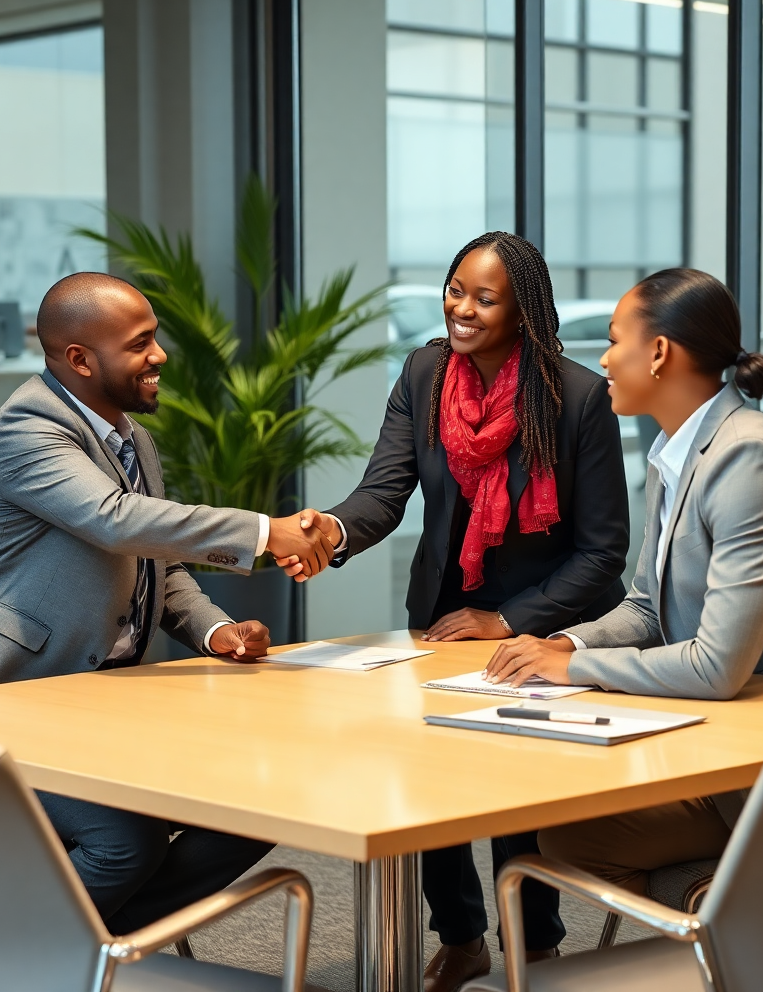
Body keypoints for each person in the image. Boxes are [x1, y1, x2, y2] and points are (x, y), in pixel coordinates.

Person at [0, 271, 335, 937]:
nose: (160, 355)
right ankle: (8, 958)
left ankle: (94, 949)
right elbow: (115, 520)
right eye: (140, 344)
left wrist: (217, 631)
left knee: (265, 801)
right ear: (80, 359)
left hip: (96, 710)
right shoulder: (29, 426)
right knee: (124, 843)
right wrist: (262, 532)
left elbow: (155, 568)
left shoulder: (129, 438)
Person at [279, 232, 630, 990]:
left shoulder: (577, 396)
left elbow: (603, 553)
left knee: (515, 792)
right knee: (430, 772)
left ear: (523, 310)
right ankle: (464, 937)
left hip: (545, 620)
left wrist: (508, 621)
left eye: (484, 296)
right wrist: (331, 531)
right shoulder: (425, 372)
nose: (461, 308)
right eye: (454, 289)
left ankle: (534, 949)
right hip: (444, 611)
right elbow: (385, 488)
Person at [477, 266, 763, 894]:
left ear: (658, 354)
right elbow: (648, 608)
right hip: (718, 738)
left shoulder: (748, 460)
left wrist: (570, 671)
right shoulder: (675, 453)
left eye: (613, 339)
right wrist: (567, 645)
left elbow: (715, 668)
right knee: (563, 802)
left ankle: (744, 928)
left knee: (573, 836)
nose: (601, 359)